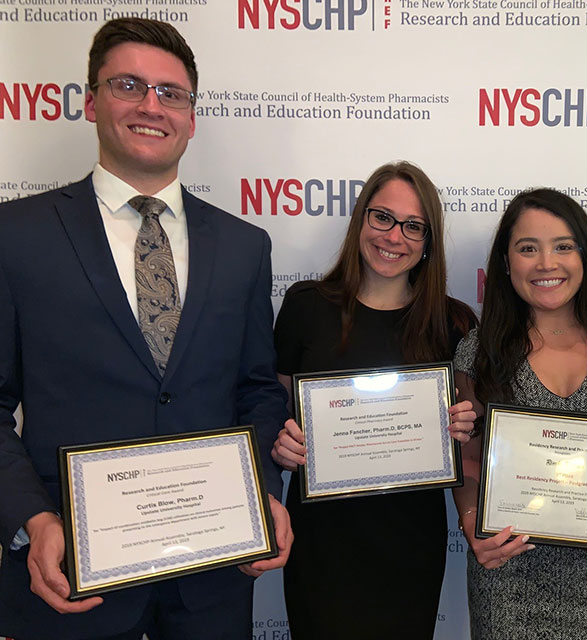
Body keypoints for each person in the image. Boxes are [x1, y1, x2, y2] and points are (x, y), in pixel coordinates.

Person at [0, 18, 292, 640]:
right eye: (128, 85)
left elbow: (258, 390)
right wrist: (33, 519)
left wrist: (263, 490)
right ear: (91, 100)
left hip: (213, 576)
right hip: (72, 567)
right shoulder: (15, 236)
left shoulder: (244, 246)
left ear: (191, 116)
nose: (150, 106)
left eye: (171, 93)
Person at [270, 161, 477, 639]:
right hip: (321, 537)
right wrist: (282, 442)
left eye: (413, 226)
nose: (394, 236)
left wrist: (464, 423)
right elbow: (275, 407)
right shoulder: (306, 305)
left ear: (428, 243)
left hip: (408, 540)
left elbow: (473, 437)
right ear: (361, 219)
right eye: (382, 217)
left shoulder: (454, 323)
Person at [451, 188, 587, 639]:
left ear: (585, 256)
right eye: (528, 248)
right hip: (507, 579)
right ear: (506, 263)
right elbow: (468, 458)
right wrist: (474, 527)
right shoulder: (479, 352)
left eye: (563, 246)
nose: (547, 263)